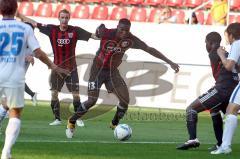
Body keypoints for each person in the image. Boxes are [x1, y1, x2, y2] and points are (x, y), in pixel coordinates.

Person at [65, 18, 180, 138]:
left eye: (127, 30)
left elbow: (149, 49)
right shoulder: (107, 33)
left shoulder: (131, 39)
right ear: (117, 27)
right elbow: (100, 28)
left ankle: (114, 124)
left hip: (112, 73)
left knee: (125, 100)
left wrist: (169, 62)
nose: (124, 33)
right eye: (121, 30)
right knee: (92, 101)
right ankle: (71, 122)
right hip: (97, 71)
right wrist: (99, 28)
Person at [0, 0, 68, 158]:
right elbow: (39, 52)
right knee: (14, 113)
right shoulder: (25, 28)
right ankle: (6, 151)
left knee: (4, 104)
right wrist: (52, 65)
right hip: (15, 75)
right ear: (16, 9)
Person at [18, 9, 99, 126]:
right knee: (54, 93)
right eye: (62, 17)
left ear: (69, 18)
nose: (64, 20)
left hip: (72, 69)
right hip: (56, 68)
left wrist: (103, 35)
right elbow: (34, 23)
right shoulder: (52, 30)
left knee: (76, 95)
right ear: (59, 18)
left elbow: (93, 36)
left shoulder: (76, 30)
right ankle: (57, 119)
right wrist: (20, 15)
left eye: (66, 18)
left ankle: (77, 118)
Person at [176, 32, 239, 151]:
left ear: (211, 43)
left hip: (222, 89)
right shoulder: (228, 54)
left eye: (206, 43)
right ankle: (221, 144)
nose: (206, 45)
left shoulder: (214, 53)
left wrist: (218, 50)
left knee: (191, 109)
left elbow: (218, 57)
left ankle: (192, 139)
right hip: (232, 90)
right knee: (215, 110)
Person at [211, 23, 240, 155]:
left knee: (231, 110)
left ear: (231, 34)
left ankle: (225, 146)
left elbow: (228, 66)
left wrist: (221, 54)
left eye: (226, 34)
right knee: (231, 110)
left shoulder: (237, 44)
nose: (226, 37)